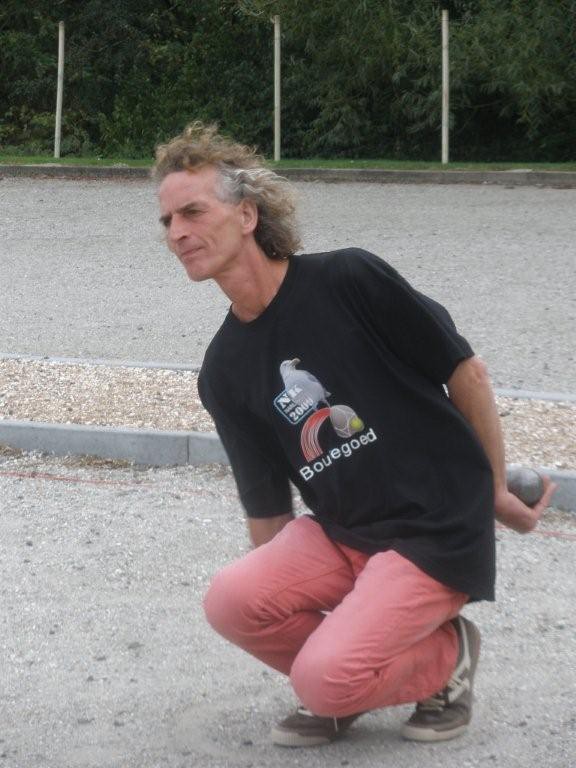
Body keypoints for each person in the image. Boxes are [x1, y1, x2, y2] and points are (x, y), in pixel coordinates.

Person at [153, 123, 556, 748]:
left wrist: (495, 488)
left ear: (247, 215)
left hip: (433, 526)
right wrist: (295, 606)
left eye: (193, 212)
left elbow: (466, 373)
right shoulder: (223, 371)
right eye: (167, 220)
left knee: (323, 680)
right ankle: (348, 676)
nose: (177, 232)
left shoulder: (348, 279)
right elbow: (268, 511)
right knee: (229, 603)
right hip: (344, 531)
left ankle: (445, 659)